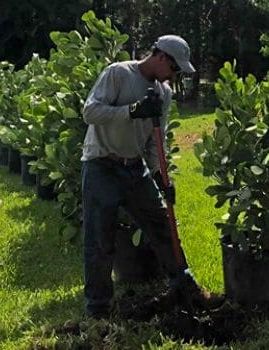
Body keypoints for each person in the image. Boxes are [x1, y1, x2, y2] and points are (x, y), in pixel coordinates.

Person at [80, 34, 221, 319]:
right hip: (102, 166)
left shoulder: (163, 93)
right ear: (160, 57)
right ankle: (98, 309)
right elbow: (90, 112)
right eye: (174, 67)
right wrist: (131, 111)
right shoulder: (119, 73)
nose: (175, 74)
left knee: (161, 224)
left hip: (135, 169)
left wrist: (160, 176)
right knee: (100, 240)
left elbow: (155, 142)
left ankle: (185, 284)